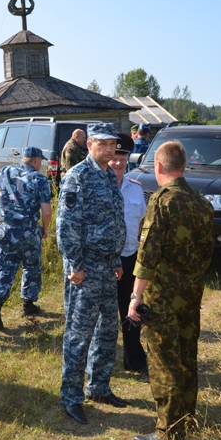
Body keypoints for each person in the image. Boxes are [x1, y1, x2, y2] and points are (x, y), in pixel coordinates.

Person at [128, 141, 214, 440]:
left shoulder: (163, 200)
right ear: (184, 165)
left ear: (158, 167)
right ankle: (186, 419)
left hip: (163, 296)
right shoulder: (201, 202)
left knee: (165, 362)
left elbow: (148, 253)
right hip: (190, 293)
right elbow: (207, 253)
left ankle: (168, 432)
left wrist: (136, 295)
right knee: (187, 356)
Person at [57, 122, 128, 424]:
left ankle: (99, 386)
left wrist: (117, 260)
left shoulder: (110, 175)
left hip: (107, 265)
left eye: (113, 144)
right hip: (84, 269)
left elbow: (114, 218)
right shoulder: (78, 176)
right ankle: (71, 397)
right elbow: (66, 226)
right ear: (89, 145)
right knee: (79, 334)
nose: (110, 150)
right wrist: (75, 265)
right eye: (103, 144)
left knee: (108, 330)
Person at [0, 146, 52, 330]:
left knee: (4, 267)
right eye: (40, 161)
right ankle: (28, 304)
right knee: (31, 266)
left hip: (4, 230)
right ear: (36, 160)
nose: (41, 164)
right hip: (28, 231)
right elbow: (47, 211)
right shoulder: (40, 180)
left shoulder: (6, 171)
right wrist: (45, 229)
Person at [108, 132, 148, 374]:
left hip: (129, 257)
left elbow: (141, 222)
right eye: (114, 156)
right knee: (102, 314)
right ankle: (100, 361)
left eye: (123, 156)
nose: (119, 162)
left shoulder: (135, 189)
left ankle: (134, 359)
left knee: (131, 309)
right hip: (103, 261)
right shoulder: (95, 187)